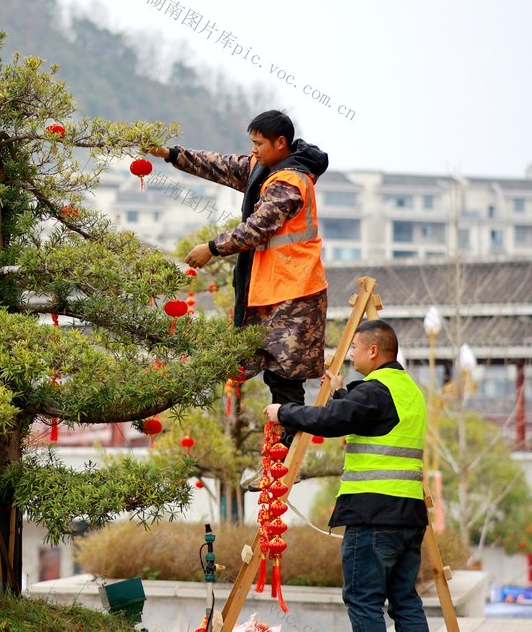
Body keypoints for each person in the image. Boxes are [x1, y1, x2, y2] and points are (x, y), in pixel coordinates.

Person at [147, 110, 328, 451]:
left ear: (280, 143)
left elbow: (258, 227)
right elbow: (221, 164)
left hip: (296, 290)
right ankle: (278, 450)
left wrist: (212, 248)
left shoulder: (290, 182)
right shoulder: (265, 168)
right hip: (272, 287)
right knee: (262, 367)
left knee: (285, 376)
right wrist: (171, 154)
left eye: (259, 144)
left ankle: (287, 453)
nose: (253, 151)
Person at [265, 320, 429, 632]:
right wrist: (341, 390)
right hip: (408, 515)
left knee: (362, 598)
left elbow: (331, 420)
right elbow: (364, 419)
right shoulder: (409, 391)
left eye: (354, 347)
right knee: (405, 600)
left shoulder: (376, 391)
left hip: (374, 515)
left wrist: (283, 412)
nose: (351, 353)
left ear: (373, 350)